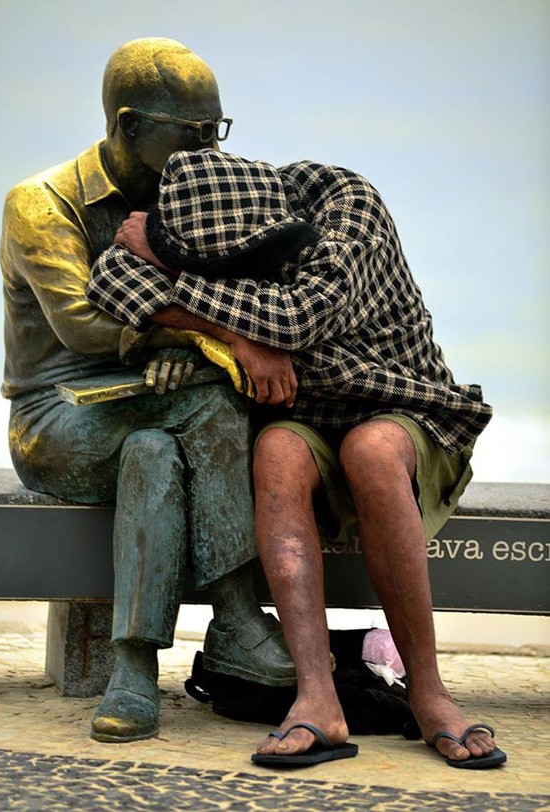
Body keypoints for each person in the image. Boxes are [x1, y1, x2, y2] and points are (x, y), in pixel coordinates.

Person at [86, 148, 507, 769]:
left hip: (409, 413)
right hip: (307, 425)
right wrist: (234, 332)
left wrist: (174, 282)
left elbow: (292, 321)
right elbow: (107, 281)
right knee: (275, 448)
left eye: (240, 272)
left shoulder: (350, 210)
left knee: (369, 449)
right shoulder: (200, 210)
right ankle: (317, 698)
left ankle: (428, 692)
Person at [0, 39, 295, 745]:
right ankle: (235, 614)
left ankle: (132, 671)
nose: (209, 149)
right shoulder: (40, 204)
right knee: (211, 399)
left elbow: (240, 289)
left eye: (215, 131)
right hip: (56, 417)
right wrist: (189, 346)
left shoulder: (191, 198)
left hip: (146, 406)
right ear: (129, 126)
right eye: (192, 134)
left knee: (154, 454)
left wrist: (172, 356)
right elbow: (81, 325)